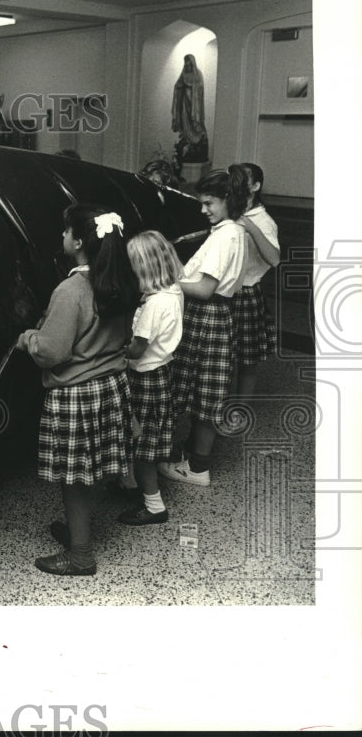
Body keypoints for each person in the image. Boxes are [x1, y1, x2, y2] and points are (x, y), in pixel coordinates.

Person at [16, 204, 139, 576]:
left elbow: (53, 351)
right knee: (89, 472)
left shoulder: (72, 289)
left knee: (74, 479)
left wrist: (29, 340)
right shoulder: (122, 280)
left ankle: (81, 554)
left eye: (66, 231)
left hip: (76, 394)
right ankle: (77, 529)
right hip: (111, 387)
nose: (62, 237)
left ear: (80, 240)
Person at [158, 167, 249, 487]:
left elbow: (204, 289)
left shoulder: (225, 236)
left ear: (227, 199)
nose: (202, 209)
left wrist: (166, 280)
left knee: (199, 393)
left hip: (205, 315)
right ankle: (196, 461)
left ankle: (197, 468)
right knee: (205, 392)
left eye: (209, 202)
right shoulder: (232, 230)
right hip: (216, 317)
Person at [118, 230, 184, 525]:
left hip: (145, 377)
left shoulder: (154, 305)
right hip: (162, 372)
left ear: (144, 267)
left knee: (143, 447)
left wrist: (115, 348)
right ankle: (131, 485)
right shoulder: (172, 292)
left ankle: (154, 506)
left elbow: (137, 348)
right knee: (147, 439)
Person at [233, 162, 279, 396]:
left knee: (247, 360)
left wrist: (250, 227)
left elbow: (274, 258)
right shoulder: (232, 212)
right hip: (225, 292)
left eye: (241, 180)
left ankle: (240, 410)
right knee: (223, 356)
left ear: (255, 186)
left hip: (246, 293)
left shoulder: (263, 221)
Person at [171, 54, 208, 150]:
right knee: (184, 119)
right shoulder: (183, 74)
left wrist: (192, 87)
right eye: (185, 65)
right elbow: (177, 85)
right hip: (184, 102)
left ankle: (196, 139)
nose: (187, 66)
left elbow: (200, 88)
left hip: (195, 104)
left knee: (194, 121)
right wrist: (180, 87)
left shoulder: (198, 74)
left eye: (188, 64)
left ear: (192, 64)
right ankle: (187, 139)